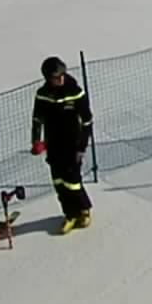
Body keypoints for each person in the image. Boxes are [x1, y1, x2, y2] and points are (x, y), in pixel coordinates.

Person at [29, 57, 95, 233]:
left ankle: (84, 210)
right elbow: (37, 119)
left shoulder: (75, 92)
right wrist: (36, 140)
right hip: (53, 145)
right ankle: (70, 215)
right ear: (48, 78)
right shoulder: (42, 94)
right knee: (59, 182)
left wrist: (81, 147)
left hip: (72, 145)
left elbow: (87, 121)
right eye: (56, 77)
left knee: (73, 181)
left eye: (62, 75)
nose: (60, 79)